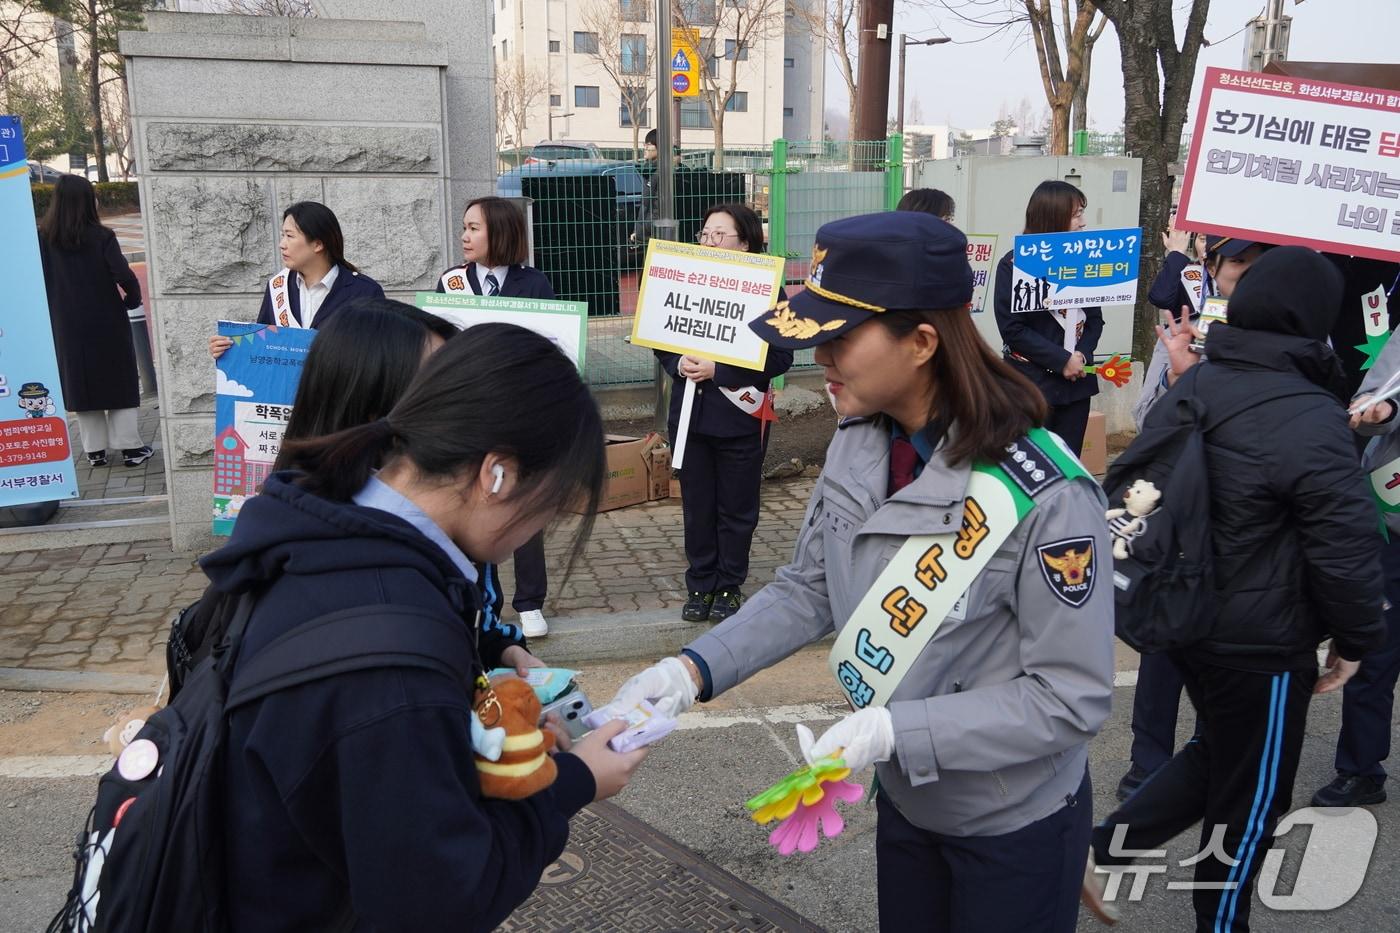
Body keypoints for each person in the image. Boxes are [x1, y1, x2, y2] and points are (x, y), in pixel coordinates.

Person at [610, 211, 1115, 932]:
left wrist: (896, 730)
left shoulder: (1047, 496)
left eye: (840, 336)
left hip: (1011, 820)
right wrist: (689, 672)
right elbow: (810, 583)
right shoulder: (859, 435)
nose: (821, 354)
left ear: (921, 342)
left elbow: (1070, 697)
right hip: (909, 800)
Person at [202, 324, 646, 931]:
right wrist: (574, 782)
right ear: (497, 475)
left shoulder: (317, 526)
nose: (538, 529)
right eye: (551, 503)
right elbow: (440, 897)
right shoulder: (393, 654)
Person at [1084, 247, 1386, 931]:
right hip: (1261, 643)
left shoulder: (1199, 383)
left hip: (1185, 617)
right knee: (1251, 800)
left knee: (1220, 751)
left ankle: (1098, 844)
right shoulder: (1314, 416)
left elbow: (1142, 484)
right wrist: (1358, 639)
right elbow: (1345, 552)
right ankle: (1223, 925)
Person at [654, 203, 793, 623]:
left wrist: (722, 370)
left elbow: (781, 357)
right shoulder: (684, 277)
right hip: (691, 416)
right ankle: (700, 584)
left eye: (720, 235)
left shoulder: (768, 290)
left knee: (736, 508)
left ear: (746, 242)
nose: (709, 241)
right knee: (697, 507)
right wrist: (677, 363)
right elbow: (662, 334)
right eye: (705, 234)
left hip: (739, 419)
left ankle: (729, 585)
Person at [437, 195, 554, 637]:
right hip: (468, 413)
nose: (464, 236)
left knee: (522, 504)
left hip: (520, 412)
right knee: (472, 503)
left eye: (474, 228)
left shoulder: (534, 283)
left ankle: (529, 603)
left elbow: (548, 347)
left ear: (501, 233)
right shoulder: (449, 281)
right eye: (464, 227)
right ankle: (483, 602)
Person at [1311, 273, 1400, 809]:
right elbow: (1376, 394)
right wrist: (1380, 411)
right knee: (1378, 646)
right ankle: (1361, 767)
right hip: (1393, 517)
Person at [36, 174, 153, 468]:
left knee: (80, 382)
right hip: (106, 320)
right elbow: (124, 275)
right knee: (119, 380)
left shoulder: (43, 238)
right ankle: (131, 449)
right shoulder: (102, 236)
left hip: (65, 324)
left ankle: (95, 451)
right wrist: (133, 299)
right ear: (88, 201)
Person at [993, 180, 1104, 455]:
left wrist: (1081, 355)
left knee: (1069, 466)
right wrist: (1060, 359)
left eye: (1082, 213)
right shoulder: (1012, 265)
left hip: (1076, 386)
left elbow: (1095, 320)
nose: (1083, 222)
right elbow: (1013, 330)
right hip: (1030, 385)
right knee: (1030, 466)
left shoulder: (1085, 263)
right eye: (1076, 214)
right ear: (1053, 216)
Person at [208, 201, 384, 358]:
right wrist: (229, 351)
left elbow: (379, 357)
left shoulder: (365, 292)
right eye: (283, 235)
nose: (282, 244)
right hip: (289, 394)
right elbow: (264, 349)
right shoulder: (278, 288)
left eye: (290, 236)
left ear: (318, 244)